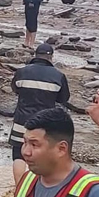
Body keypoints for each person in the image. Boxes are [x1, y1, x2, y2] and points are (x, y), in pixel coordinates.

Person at [9, 44, 70, 185]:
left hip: (21, 122)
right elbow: (63, 99)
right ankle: (37, 188)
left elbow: (16, 89)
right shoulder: (58, 75)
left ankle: (19, 188)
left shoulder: (22, 72)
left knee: (19, 154)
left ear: (35, 55)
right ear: (51, 57)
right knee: (41, 155)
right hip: (45, 124)